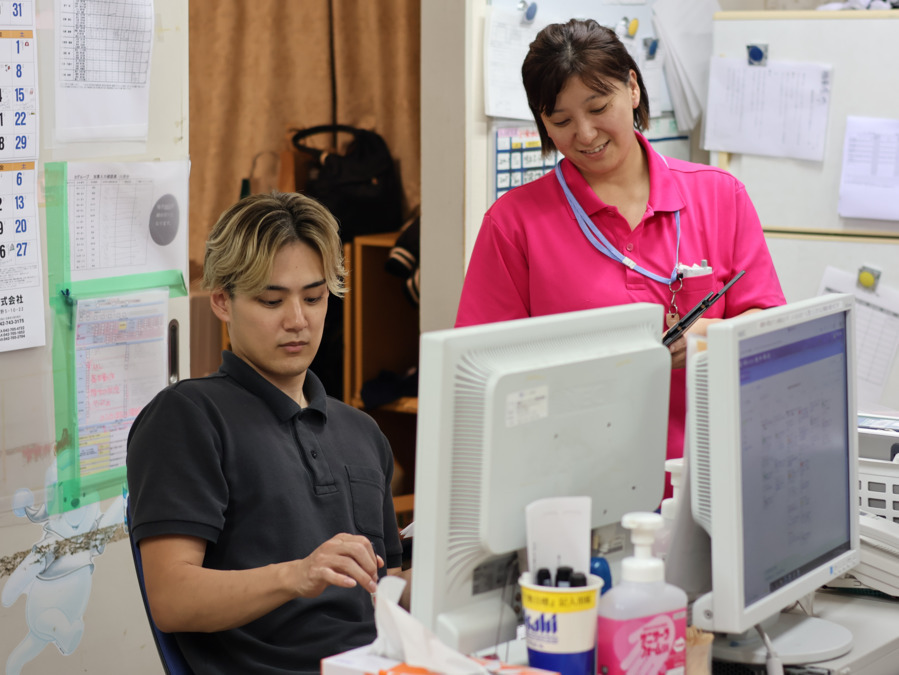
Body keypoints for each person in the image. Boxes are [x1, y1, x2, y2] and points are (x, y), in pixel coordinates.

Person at [455, 19, 785, 484]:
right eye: (562, 121)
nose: (586, 135)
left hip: (711, 473)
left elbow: (774, 332)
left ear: (632, 87)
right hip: (575, 485)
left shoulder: (719, 197)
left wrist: (711, 337)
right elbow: (480, 376)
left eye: (598, 106)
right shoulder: (514, 224)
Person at [127, 192, 405, 674]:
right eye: (271, 300)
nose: (298, 320)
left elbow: (390, 590)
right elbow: (171, 599)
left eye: (314, 298)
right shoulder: (188, 416)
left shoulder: (361, 431)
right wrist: (298, 575)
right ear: (222, 302)